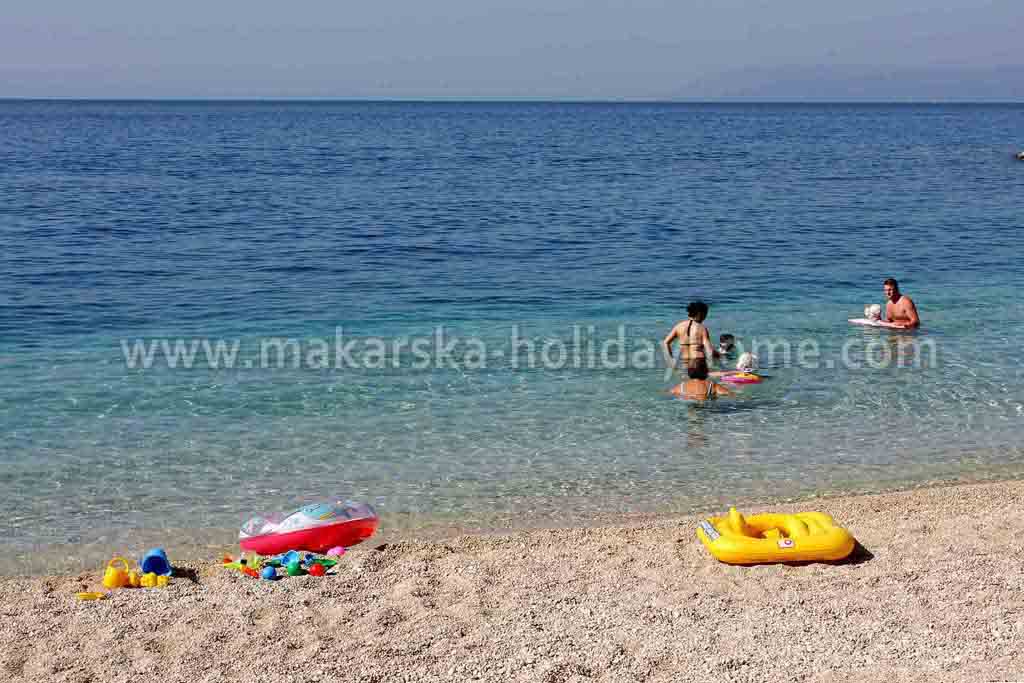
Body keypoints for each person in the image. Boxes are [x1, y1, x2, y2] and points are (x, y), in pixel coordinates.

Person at [663, 301, 719, 371]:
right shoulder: (701, 328)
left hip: (685, 363)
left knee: (687, 381)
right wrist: (712, 364)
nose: (705, 317)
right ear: (700, 314)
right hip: (699, 362)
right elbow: (708, 350)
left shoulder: (678, 326)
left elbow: (665, 343)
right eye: (705, 314)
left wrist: (670, 361)